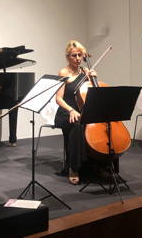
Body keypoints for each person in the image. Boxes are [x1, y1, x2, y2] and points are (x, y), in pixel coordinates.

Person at [54, 40, 95, 185]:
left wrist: (93, 78)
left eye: (79, 55)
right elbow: (58, 98)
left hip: (81, 110)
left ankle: (97, 165)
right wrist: (71, 110)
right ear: (67, 57)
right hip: (66, 111)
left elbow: (91, 95)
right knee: (77, 124)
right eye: (73, 55)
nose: (77, 58)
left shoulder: (85, 72)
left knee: (100, 122)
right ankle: (73, 167)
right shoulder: (63, 72)